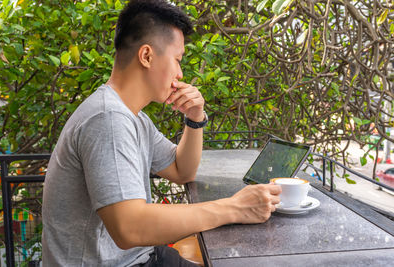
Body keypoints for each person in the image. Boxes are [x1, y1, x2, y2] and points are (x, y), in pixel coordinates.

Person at [41, 0, 282, 266]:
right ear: (146, 56)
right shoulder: (108, 119)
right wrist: (235, 208)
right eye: (177, 60)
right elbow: (129, 228)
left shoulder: (133, 118)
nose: (180, 73)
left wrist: (195, 119)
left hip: (140, 256)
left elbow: (182, 171)